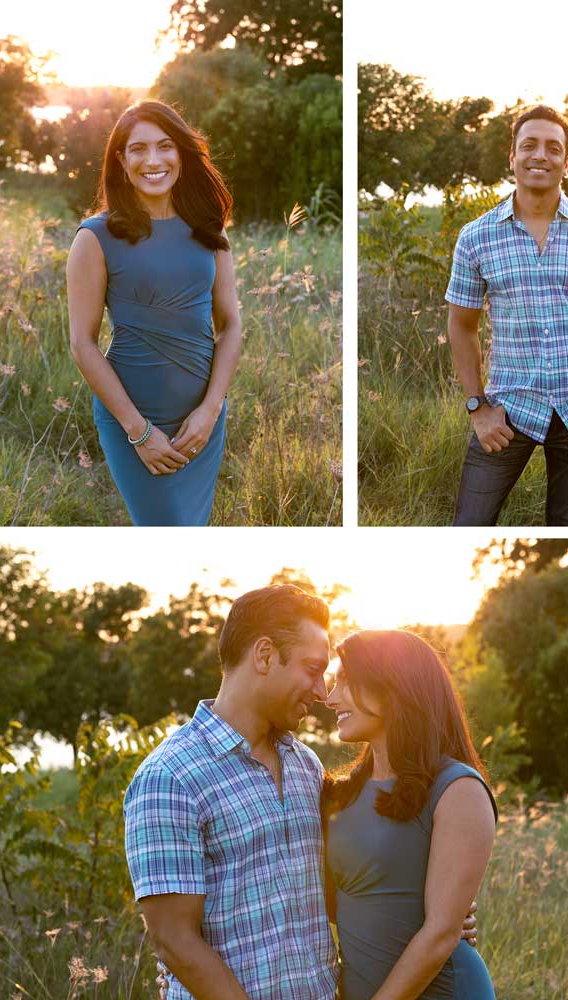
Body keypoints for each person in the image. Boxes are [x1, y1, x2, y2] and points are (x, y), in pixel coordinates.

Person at [124, 585, 479, 1000]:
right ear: (264, 655)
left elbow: (334, 893)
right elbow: (175, 941)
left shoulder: (305, 766)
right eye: (312, 669)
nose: (321, 692)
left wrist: (439, 915)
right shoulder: (169, 778)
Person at [446, 104, 568, 526]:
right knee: (469, 525)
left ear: (566, 163)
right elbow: (461, 327)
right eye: (529, 145)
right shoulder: (476, 237)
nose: (540, 155)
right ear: (512, 157)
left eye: (553, 148)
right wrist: (478, 408)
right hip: (507, 410)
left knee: (566, 527)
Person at [67, 100, 241, 526]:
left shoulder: (208, 227)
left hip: (202, 421)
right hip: (134, 420)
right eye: (139, 149)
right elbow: (82, 343)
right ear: (121, 160)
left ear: (181, 153)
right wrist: (138, 431)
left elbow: (231, 325)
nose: (153, 160)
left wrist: (210, 410)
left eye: (165, 146)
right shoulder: (95, 237)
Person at [323, 630, 497, 1000]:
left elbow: (440, 935)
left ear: (392, 686)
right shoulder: (340, 794)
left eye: (345, 681)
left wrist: (450, 919)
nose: (330, 697)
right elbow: (340, 905)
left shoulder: (458, 789)